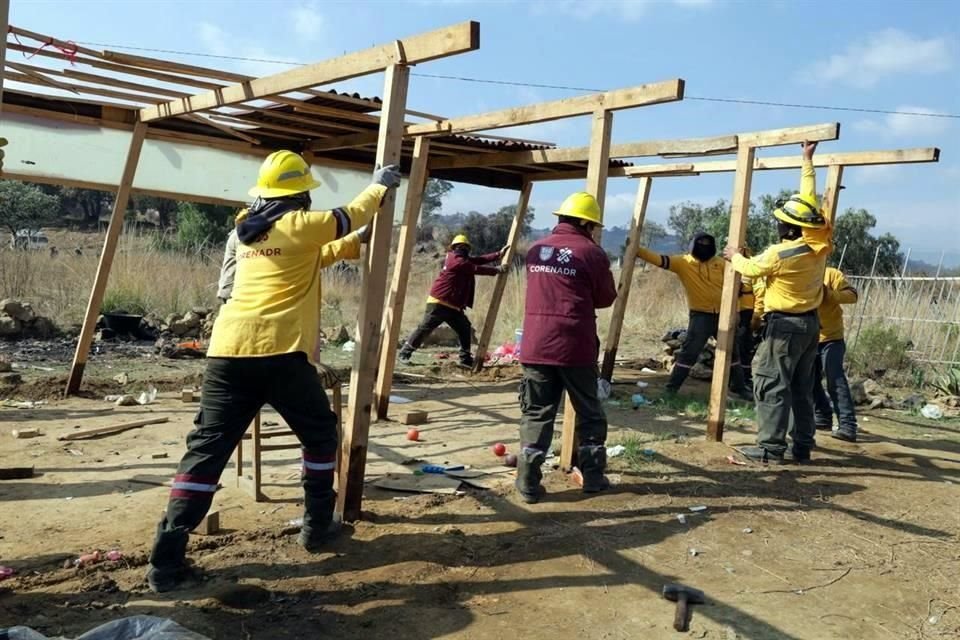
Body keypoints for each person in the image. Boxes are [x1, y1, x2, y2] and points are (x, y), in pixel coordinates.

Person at [146, 150, 401, 592]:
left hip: (227, 353)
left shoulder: (249, 232)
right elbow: (351, 212)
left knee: (207, 449)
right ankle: (317, 526)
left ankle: (166, 558)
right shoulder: (300, 224)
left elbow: (312, 257)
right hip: (278, 353)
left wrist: (354, 242)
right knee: (320, 435)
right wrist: (379, 185)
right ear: (300, 193)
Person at [722, 141, 832, 464]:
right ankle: (802, 445)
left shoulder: (779, 254)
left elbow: (751, 268)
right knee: (802, 386)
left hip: (784, 327)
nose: (778, 222)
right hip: (810, 325)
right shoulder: (819, 245)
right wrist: (807, 162)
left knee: (771, 383)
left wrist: (734, 256)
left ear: (790, 227)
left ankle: (769, 448)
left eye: (782, 220)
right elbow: (809, 202)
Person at [516, 192, 617, 503]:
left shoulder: (536, 250)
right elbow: (605, 298)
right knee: (589, 412)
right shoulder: (592, 253)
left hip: (536, 345)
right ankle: (594, 478)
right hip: (575, 346)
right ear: (586, 222)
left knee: (537, 413)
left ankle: (528, 484)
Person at [637, 233, 752, 399]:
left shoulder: (722, 264)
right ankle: (670, 390)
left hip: (725, 314)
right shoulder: (682, 262)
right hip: (701, 316)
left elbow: (737, 289)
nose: (704, 246)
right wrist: (636, 248)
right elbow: (658, 259)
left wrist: (737, 312)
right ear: (692, 245)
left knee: (731, 353)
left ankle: (740, 388)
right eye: (701, 243)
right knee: (689, 354)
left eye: (707, 243)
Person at [398, 234, 507, 368]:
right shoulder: (455, 260)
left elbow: (477, 260)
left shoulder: (462, 259)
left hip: (453, 307)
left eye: (465, 247)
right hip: (439, 303)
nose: (463, 249)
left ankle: (465, 358)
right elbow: (475, 268)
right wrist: (496, 270)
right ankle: (404, 353)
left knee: (465, 328)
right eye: (461, 247)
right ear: (454, 248)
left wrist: (498, 255)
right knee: (424, 329)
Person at [814, 267, 860, 442]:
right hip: (808, 336)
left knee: (835, 378)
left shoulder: (831, 274)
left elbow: (852, 295)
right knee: (809, 378)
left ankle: (848, 425)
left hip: (831, 337)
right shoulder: (801, 270)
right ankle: (823, 415)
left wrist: (830, 294)